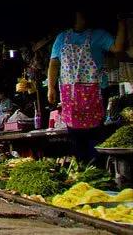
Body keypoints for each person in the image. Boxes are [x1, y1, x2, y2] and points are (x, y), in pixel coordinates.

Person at [47, 10, 126, 162]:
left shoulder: (98, 35)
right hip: (70, 96)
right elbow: (54, 63)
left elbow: (117, 48)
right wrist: (51, 88)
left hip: (95, 93)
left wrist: (122, 23)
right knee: (76, 139)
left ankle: (98, 170)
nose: (83, 16)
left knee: (96, 138)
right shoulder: (62, 38)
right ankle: (83, 171)